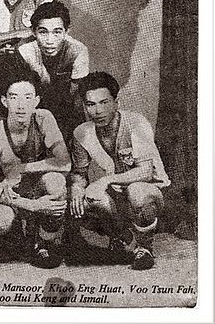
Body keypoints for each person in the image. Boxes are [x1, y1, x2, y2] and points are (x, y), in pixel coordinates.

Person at [69, 72, 171, 270]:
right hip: (117, 196)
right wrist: (76, 187)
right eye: (90, 104)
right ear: (84, 106)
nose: (97, 111)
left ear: (116, 102)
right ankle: (124, 239)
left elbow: (146, 172)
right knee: (88, 199)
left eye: (104, 102)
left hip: (151, 191)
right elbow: (79, 173)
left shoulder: (136, 123)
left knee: (137, 192)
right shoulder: (82, 132)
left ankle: (145, 246)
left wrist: (106, 181)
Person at [0, 70, 71, 268]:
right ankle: (20, 237)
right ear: (4, 101)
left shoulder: (44, 118)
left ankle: (45, 243)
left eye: (27, 98)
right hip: (8, 197)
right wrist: (32, 206)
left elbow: (64, 162)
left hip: (35, 190)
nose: (21, 105)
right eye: (14, 97)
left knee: (56, 182)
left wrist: (23, 168)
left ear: (36, 101)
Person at [18, 0, 88, 142]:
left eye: (57, 32)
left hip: (67, 108)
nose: (50, 40)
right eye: (43, 32)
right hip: (35, 107)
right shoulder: (25, 51)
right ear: (33, 31)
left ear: (67, 31)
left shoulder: (78, 50)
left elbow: (76, 98)